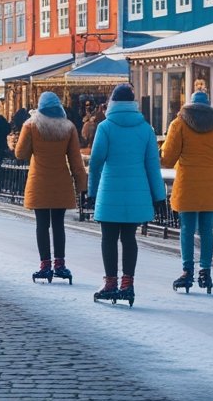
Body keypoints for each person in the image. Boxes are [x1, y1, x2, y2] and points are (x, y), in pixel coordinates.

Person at [87, 83, 166, 306]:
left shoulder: (105, 127)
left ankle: (110, 283)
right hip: (136, 194)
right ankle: (127, 284)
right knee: (129, 238)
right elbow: (153, 165)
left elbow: (95, 162)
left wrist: (91, 191)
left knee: (109, 238)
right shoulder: (145, 129)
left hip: (109, 191)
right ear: (133, 103)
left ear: (112, 102)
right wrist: (159, 196)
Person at [159, 90, 213, 294]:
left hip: (187, 183)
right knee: (207, 230)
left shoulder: (179, 124)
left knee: (187, 229)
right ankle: (205, 271)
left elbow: (167, 157)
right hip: (210, 184)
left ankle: (187, 271)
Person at [15, 92, 87, 283]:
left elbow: (20, 153)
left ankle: (45, 265)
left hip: (39, 182)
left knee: (41, 225)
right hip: (61, 182)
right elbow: (75, 160)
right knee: (58, 225)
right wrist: (81, 184)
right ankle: (60, 265)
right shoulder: (68, 128)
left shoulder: (30, 126)